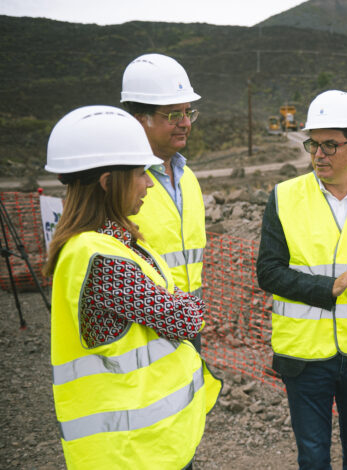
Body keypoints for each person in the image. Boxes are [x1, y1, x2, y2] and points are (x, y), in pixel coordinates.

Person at [44, 105, 221, 469]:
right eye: (141, 174)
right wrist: (187, 303)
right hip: (129, 451)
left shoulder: (109, 241)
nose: (150, 183)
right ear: (109, 182)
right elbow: (186, 319)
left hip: (143, 443)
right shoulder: (100, 257)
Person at [256, 90, 347, 470]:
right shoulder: (284, 197)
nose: (318, 155)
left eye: (329, 145)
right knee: (312, 458)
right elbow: (268, 272)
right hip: (304, 356)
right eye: (313, 144)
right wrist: (330, 288)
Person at [121, 53, 207, 351]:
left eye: (188, 112)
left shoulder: (189, 179)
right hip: (140, 333)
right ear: (138, 121)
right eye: (173, 115)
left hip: (188, 324)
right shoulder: (118, 187)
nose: (185, 123)